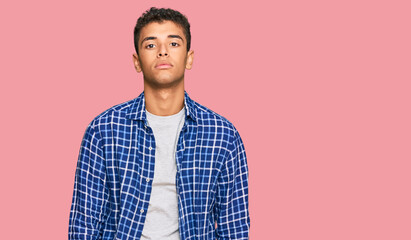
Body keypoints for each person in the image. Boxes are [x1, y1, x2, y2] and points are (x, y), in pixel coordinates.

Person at [69, 7, 250, 240]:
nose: (163, 52)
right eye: (151, 45)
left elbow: (233, 228)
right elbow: (84, 223)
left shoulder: (223, 135)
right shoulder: (104, 130)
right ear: (137, 62)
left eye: (173, 44)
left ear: (189, 58)